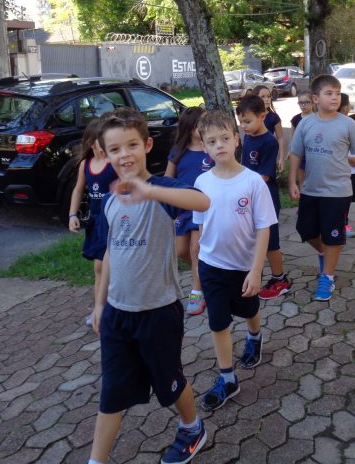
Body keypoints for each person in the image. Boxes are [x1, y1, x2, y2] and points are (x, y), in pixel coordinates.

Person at [89, 107, 210, 464]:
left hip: (158, 311)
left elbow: (202, 201)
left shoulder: (162, 189)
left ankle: (192, 427)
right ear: (104, 154)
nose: (124, 155)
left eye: (131, 145)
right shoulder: (110, 201)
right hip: (117, 314)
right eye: (115, 149)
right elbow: (111, 252)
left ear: (147, 145)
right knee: (112, 392)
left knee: (169, 383)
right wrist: (100, 304)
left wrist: (150, 191)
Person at [193, 110, 277, 411]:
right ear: (204, 146)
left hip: (243, 266)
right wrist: (197, 269)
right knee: (218, 322)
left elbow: (264, 227)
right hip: (211, 265)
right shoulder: (202, 182)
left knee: (249, 309)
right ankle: (228, 378)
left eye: (225, 138)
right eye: (212, 141)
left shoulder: (253, 182)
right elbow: (200, 227)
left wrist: (256, 270)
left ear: (236, 140)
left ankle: (255, 336)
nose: (219, 145)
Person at [289, 75, 355, 301]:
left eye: (337, 93)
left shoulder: (347, 124)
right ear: (315, 99)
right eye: (329, 93)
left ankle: (327, 277)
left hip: (338, 191)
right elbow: (296, 154)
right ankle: (325, 253)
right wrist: (292, 182)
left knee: (333, 235)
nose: (335, 97)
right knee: (306, 230)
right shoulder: (305, 124)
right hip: (310, 189)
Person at [236, 95, 291, 300]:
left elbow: (264, 176)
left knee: (270, 242)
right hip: (249, 197)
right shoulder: (249, 136)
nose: (243, 126)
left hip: (266, 199)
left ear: (262, 116)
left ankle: (280, 279)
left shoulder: (269, 142)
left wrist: (238, 184)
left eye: (247, 121)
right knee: (251, 239)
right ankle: (252, 276)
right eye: (241, 122)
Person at [165, 106, 214, 316]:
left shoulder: (210, 149)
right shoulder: (178, 152)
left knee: (195, 249)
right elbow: (167, 179)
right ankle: (203, 273)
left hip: (202, 207)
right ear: (190, 127)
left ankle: (197, 291)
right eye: (200, 124)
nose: (204, 127)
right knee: (181, 251)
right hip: (182, 210)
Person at [69, 118, 117, 327]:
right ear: (91, 142)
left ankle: (109, 305)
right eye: (102, 140)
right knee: (99, 268)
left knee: (108, 266)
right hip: (97, 223)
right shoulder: (85, 165)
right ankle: (100, 308)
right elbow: (78, 189)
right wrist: (72, 215)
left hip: (115, 221)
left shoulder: (114, 163)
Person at [338, 93, 355, 239]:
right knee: (343, 199)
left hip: (352, 169)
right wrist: (348, 159)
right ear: (345, 107)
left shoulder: (350, 123)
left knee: (348, 199)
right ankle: (343, 224)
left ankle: (343, 221)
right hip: (342, 170)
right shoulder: (337, 124)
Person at [252, 85, 285, 172]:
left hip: (268, 153)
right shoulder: (251, 115)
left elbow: (280, 138)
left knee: (267, 176)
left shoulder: (274, 117)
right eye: (262, 97)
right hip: (253, 153)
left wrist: (281, 158)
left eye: (269, 96)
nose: (267, 99)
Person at [290, 90, 314, 189]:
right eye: (301, 103)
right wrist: (290, 151)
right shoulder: (295, 119)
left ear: (313, 102)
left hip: (313, 153)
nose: (303, 105)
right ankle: (302, 194)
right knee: (302, 181)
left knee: (313, 179)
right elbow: (293, 137)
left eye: (306, 102)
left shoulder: (317, 118)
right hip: (300, 154)